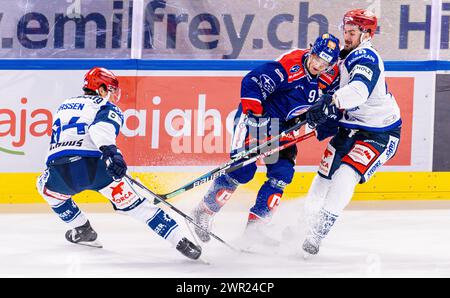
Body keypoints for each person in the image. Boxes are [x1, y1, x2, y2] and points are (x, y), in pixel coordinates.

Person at [36, 67, 202, 260]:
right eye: (111, 90)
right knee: (139, 206)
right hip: (97, 168)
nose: (114, 96)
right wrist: (111, 153)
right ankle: (180, 240)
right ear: (101, 89)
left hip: (60, 171)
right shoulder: (107, 107)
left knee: (45, 189)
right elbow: (100, 129)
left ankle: (82, 230)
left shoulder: (64, 104)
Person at [191, 34, 341, 245]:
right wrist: (256, 116)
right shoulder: (290, 66)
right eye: (317, 58)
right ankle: (203, 211)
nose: (319, 65)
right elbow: (252, 80)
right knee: (243, 170)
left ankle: (256, 229)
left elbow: (332, 104)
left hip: (283, 127)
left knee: (282, 173)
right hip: (259, 120)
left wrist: (327, 123)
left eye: (325, 64)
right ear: (311, 51)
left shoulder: (330, 77)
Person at [302, 9, 402, 256]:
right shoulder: (344, 56)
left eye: (352, 32)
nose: (346, 37)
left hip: (380, 133)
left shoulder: (366, 55)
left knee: (345, 175)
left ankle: (317, 233)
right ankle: (302, 225)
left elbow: (359, 91)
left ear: (366, 34)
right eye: (345, 31)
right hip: (350, 127)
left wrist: (332, 101)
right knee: (324, 176)